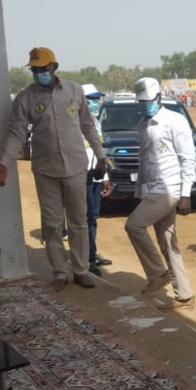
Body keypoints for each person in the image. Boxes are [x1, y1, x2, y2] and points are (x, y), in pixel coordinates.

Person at [0, 47, 106, 292]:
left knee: (79, 222)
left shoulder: (74, 90)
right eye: (34, 70)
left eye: (42, 69)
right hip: (46, 169)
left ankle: (80, 270)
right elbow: (16, 133)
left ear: (54, 67)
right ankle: (60, 272)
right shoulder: (26, 98)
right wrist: (4, 163)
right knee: (52, 225)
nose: (38, 73)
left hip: (76, 166)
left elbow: (88, 125)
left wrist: (100, 156)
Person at [125, 77, 196, 312]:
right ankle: (184, 295)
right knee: (168, 242)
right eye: (140, 101)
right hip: (153, 188)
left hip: (169, 189)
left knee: (133, 225)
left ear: (158, 98)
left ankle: (157, 273)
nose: (144, 104)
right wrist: (141, 191)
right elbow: (145, 163)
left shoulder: (174, 121)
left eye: (147, 100)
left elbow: (188, 158)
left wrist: (185, 194)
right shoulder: (143, 124)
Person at [82, 83, 112, 276]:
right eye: (92, 99)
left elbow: (99, 152)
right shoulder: (76, 123)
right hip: (81, 176)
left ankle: (91, 255)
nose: (96, 103)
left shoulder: (96, 122)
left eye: (97, 99)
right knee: (83, 219)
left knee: (92, 217)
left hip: (95, 176)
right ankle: (86, 259)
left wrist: (105, 177)